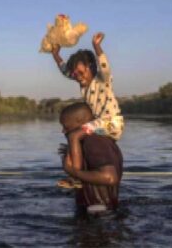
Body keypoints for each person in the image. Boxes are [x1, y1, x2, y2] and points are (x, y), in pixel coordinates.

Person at [52, 32, 124, 188]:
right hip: (99, 123)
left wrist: (97, 46)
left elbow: (105, 67)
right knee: (74, 137)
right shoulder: (82, 83)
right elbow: (65, 70)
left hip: (111, 122)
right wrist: (55, 54)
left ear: (91, 67)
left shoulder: (101, 80)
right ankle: (78, 166)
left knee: (74, 135)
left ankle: (75, 176)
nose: (78, 76)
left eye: (81, 72)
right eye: (75, 74)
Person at [59, 102, 123, 213]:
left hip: (98, 215)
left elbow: (109, 178)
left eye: (66, 127)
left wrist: (71, 171)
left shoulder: (94, 141)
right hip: (99, 211)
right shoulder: (91, 141)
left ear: (81, 123)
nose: (63, 131)